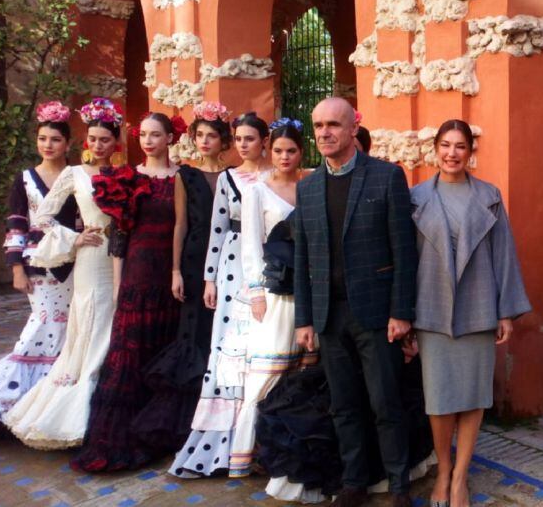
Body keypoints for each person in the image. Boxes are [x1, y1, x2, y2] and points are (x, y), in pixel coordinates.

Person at [292, 97, 418, 507]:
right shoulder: (308, 186)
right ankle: (354, 482)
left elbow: (404, 250)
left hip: (377, 316)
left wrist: (402, 312)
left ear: (351, 129)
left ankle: (399, 485)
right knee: (343, 405)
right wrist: (304, 319)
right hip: (329, 316)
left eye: (333, 124)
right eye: (318, 126)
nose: (324, 133)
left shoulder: (386, 177)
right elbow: (303, 258)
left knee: (385, 403)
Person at [410, 119, 532, 507]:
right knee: (440, 399)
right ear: (435, 149)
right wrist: (404, 315)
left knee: (473, 397)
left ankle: (461, 476)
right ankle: (443, 471)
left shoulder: (490, 196)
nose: (451, 153)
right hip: (431, 311)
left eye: (459, 146)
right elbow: (405, 260)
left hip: (479, 309)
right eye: (445, 145)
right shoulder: (414, 198)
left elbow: (505, 256)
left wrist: (506, 312)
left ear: (469, 151)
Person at [0, 102, 78, 436]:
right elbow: (16, 225)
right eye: (42, 138)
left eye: (54, 139)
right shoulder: (24, 179)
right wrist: (16, 269)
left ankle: (59, 401)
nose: (48, 145)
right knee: (42, 325)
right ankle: (17, 398)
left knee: (71, 330)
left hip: (75, 265)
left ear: (67, 143)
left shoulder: (77, 176)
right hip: (37, 265)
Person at [5, 98, 120, 449]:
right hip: (87, 256)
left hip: (118, 257)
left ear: (116, 143)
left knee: (113, 318)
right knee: (89, 319)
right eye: (93, 139)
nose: (98, 145)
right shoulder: (74, 174)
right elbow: (42, 216)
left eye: (105, 139)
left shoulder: (125, 174)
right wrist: (74, 236)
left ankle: (111, 394)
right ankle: (77, 398)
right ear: (85, 141)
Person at [70, 112, 181, 471]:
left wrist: (179, 273)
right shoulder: (127, 177)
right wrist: (119, 284)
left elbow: (185, 228)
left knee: (163, 351)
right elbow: (120, 234)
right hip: (135, 273)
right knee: (128, 355)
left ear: (169, 138)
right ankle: (123, 438)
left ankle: (159, 434)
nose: (148, 141)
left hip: (170, 276)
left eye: (155, 135)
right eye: (143, 134)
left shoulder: (182, 177)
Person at [169, 111, 272, 478]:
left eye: (251, 138)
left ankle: (260, 438)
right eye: (240, 138)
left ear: (264, 142)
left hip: (269, 266)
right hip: (232, 266)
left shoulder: (278, 176)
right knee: (229, 346)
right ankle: (222, 442)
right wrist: (210, 279)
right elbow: (216, 228)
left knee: (262, 346)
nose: (244, 144)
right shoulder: (228, 179)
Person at [132, 102, 232, 452]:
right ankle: (181, 423)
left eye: (212, 136)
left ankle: (217, 418)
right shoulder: (184, 176)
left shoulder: (234, 175)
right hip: (191, 262)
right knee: (191, 333)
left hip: (227, 264)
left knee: (219, 335)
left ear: (224, 141)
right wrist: (175, 271)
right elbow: (180, 225)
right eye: (199, 135)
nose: (205, 141)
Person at [228, 118, 307, 479]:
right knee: (267, 373)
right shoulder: (257, 191)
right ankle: (249, 451)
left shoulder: (311, 188)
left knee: (303, 372)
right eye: (278, 150)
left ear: (301, 153)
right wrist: (257, 293)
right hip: (274, 294)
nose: (284, 156)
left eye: (291, 150)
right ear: (269, 151)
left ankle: (291, 451)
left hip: (307, 292)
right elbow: (250, 247)